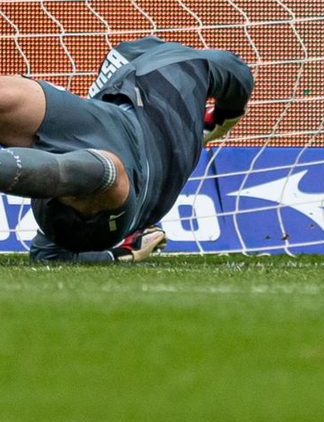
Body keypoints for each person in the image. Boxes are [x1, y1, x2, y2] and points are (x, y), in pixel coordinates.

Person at [0, 35, 254, 264]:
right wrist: (221, 119)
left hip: (131, 175)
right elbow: (239, 75)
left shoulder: (184, 62)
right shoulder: (191, 61)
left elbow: (50, 253)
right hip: (100, 123)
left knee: (105, 169)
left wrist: (115, 255)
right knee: (12, 94)